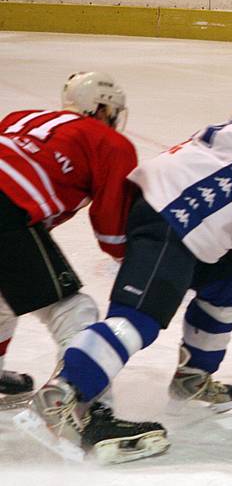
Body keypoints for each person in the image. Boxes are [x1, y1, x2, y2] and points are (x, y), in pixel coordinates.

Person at [17, 64, 232, 465]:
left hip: (187, 227)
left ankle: (192, 378)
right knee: (138, 321)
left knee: (229, 284)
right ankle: (63, 394)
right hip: (173, 224)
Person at [0, 72, 139, 412]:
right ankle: (86, 409)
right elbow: (111, 230)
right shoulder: (111, 143)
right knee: (73, 308)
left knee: (6, 296)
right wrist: (138, 260)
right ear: (103, 108)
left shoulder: (20, 117)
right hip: (5, 208)